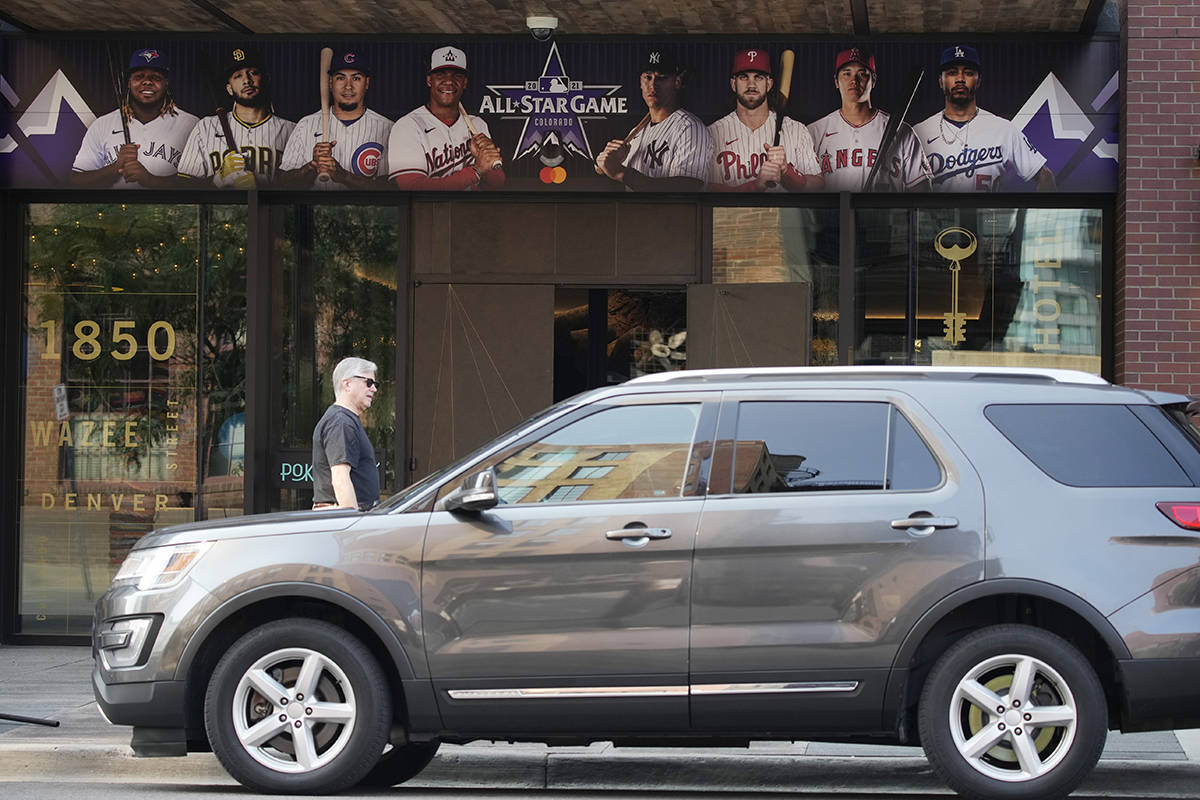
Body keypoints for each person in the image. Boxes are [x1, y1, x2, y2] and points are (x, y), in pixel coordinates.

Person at [914, 45, 1055, 192]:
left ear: (978, 81)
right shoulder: (918, 134)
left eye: (968, 73)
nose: (960, 79)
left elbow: (1045, 176)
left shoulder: (1003, 129)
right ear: (941, 81)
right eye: (952, 73)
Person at [807, 47, 931, 192]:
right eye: (847, 74)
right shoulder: (814, 132)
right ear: (836, 81)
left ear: (873, 81)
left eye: (862, 74)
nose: (854, 80)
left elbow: (922, 190)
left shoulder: (902, 131)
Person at [70, 48, 198, 188]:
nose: (147, 82)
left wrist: (150, 180)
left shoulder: (191, 125)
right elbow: (77, 181)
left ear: (166, 82)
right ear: (129, 82)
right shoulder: (103, 124)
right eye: (139, 76)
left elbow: (200, 183)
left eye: (155, 77)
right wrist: (115, 168)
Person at [387, 46, 505, 190]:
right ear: (429, 80)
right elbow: (412, 187)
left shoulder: (477, 125)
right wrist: (476, 171)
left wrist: (487, 158)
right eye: (440, 75)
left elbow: (498, 184)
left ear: (465, 83)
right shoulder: (408, 126)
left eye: (457, 76)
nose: (449, 81)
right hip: (430, 205)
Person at [177, 46, 295, 188]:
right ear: (229, 89)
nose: (247, 80)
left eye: (253, 73)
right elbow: (183, 185)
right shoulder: (206, 127)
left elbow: (302, 185)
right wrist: (217, 180)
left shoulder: (292, 130)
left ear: (265, 79)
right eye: (238, 76)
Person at [707, 48, 822, 192]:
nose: (751, 85)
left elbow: (817, 185)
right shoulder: (712, 134)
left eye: (758, 77)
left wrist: (787, 172)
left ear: (769, 84)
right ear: (733, 84)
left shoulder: (796, 130)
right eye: (744, 77)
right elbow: (703, 189)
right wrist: (754, 186)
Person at [596, 49, 712, 191]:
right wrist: (613, 162)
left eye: (661, 77)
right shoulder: (636, 134)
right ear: (640, 82)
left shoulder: (690, 128)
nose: (653, 85)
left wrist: (621, 173)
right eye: (648, 77)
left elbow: (687, 188)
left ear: (677, 82)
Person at [279, 49, 391, 190]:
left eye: (356, 78)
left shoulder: (387, 128)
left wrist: (344, 176)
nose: (348, 86)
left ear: (367, 83)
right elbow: (283, 183)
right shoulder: (306, 125)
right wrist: (312, 166)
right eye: (340, 78)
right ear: (330, 83)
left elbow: (391, 188)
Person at [312, 357, 380, 511]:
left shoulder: (345, 420)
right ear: (347, 384)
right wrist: (351, 518)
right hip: (343, 519)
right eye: (368, 382)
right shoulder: (340, 422)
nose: (374, 389)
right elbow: (340, 478)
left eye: (375, 384)